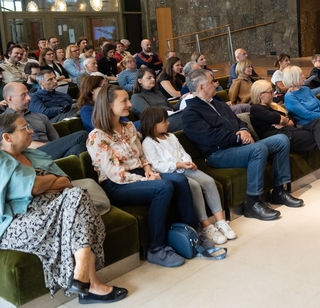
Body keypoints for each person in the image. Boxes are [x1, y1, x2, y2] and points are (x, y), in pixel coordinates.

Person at [0, 112, 129, 303]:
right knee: (78, 199)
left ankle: (84, 279)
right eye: (25, 128)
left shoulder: (34, 154)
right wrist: (50, 180)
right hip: (17, 222)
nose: (31, 131)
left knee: (76, 197)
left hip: (55, 209)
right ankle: (87, 281)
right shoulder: (2, 161)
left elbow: (65, 182)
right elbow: (33, 187)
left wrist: (45, 183)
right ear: (7, 137)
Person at [87, 84, 205, 267]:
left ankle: (192, 232)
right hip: (117, 184)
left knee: (180, 179)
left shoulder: (128, 127)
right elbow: (116, 174)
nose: (129, 104)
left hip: (141, 174)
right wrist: (146, 178)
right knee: (163, 187)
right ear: (109, 105)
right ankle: (156, 248)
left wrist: (148, 169)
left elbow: (141, 155)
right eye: (124, 101)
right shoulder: (97, 137)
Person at [182, 70, 303, 221]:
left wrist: (244, 130)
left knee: (281, 140)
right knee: (258, 149)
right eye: (212, 82)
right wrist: (239, 138)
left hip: (238, 146)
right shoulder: (190, 112)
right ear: (201, 87)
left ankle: (279, 191)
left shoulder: (218, 103)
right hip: (218, 154)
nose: (216, 84)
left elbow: (239, 121)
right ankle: (252, 203)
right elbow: (210, 137)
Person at [140, 106, 236, 243]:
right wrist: (179, 165)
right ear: (153, 124)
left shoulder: (171, 136)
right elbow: (157, 165)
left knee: (209, 181)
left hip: (184, 167)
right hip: (170, 173)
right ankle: (206, 225)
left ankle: (221, 221)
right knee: (194, 186)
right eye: (164, 121)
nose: (168, 123)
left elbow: (183, 152)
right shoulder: (148, 143)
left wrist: (188, 162)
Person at [250, 80, 320, 189]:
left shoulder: (273, 106)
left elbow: (291, 121)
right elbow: (279, 119)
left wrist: (284, 121)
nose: (273, 94)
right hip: (281, 137)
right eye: (270, 92)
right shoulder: (256, 108)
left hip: (291, 131)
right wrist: (284, 120)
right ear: (260, 95)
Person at [3, 82, 88, 159]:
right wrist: (50, 146)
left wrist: (53, 147)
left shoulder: (41, 116)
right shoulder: (3, 121)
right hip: (30, 155)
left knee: (79, 148)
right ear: (10, 99)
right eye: (23, 95)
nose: (29, 98)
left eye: (28, 94)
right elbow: (11, 147)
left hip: (52, 152)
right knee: (82, 135)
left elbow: (55, 139)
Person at [131, 68, 184, 132]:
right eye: (149, 78)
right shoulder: (136, 97)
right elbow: (151, 114)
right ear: (140, 81)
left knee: (189, 112)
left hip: (171, 116)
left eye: (154, 77)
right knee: (188, 116)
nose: (153, 79)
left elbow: (172, 108)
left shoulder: (157, 93)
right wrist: (167, 112)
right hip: (159, 122)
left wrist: (182, 99)